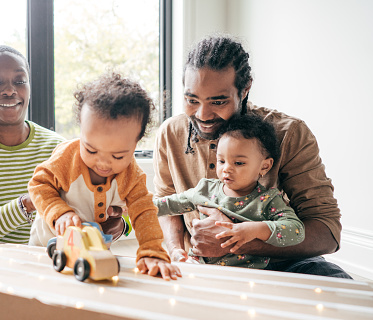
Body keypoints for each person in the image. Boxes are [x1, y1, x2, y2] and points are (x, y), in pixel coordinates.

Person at [153, 34, 352, 279]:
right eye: (192, 100)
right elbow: (167, 204)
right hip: (198, 263)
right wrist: (175, 252)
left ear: (245, 89)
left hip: (279, 263)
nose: (203, 115)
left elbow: (327, 232)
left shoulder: (289, 133)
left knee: (340, 287)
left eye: (218, 101)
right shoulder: (171, 133)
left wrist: (238, 240)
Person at [28, 72, 182, 280]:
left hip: (92, 251)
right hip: (46, 251)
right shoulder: (67, 157)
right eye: (91, 150)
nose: (102, 163)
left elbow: (144, 210)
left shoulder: (131, 174)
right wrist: (59, 212)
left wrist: (152, 250)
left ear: (135, 145)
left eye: (118, 155)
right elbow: (39, 184)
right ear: (81, 131)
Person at [154, 114, 305, 268]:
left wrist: (254, 230)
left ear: (264, 166)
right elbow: (168, 204)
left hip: (247, 276)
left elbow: (296, 231)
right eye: (221, 161)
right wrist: (133, 205)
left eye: (238, 163)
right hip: (200, 267)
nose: (226, 169)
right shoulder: (205, 189)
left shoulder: (268, 200)